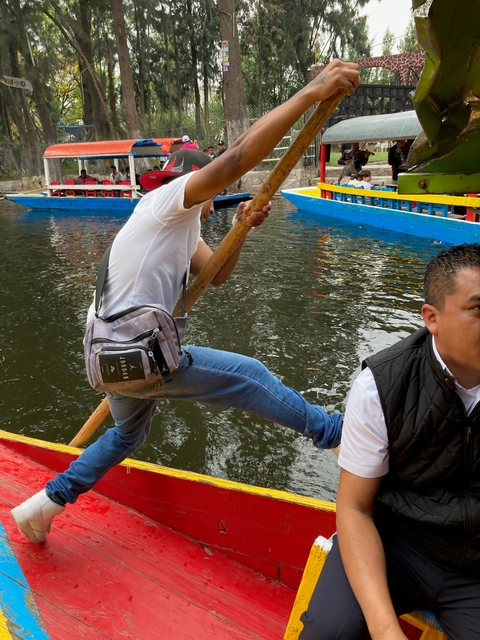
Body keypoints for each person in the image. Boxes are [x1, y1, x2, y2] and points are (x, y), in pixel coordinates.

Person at [10, 59, 360, 545]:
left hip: (109, 354)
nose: (219, 193)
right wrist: (311, 92)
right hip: (134, 353)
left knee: (127, 436)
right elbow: (237, 157)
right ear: (196, 183)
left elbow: (214, 276)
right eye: (214, 187)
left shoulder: (182, 224)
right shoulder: (167, 203)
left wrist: (241, 231)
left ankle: (44, 504)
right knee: (250, 375)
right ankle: (334, 432)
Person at [300, 243, 480, 640]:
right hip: (397, 543)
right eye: (478, 310)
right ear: (431, 318)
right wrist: (385, 630)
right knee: (328, 633)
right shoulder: (383, 384)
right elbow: (354, 507)